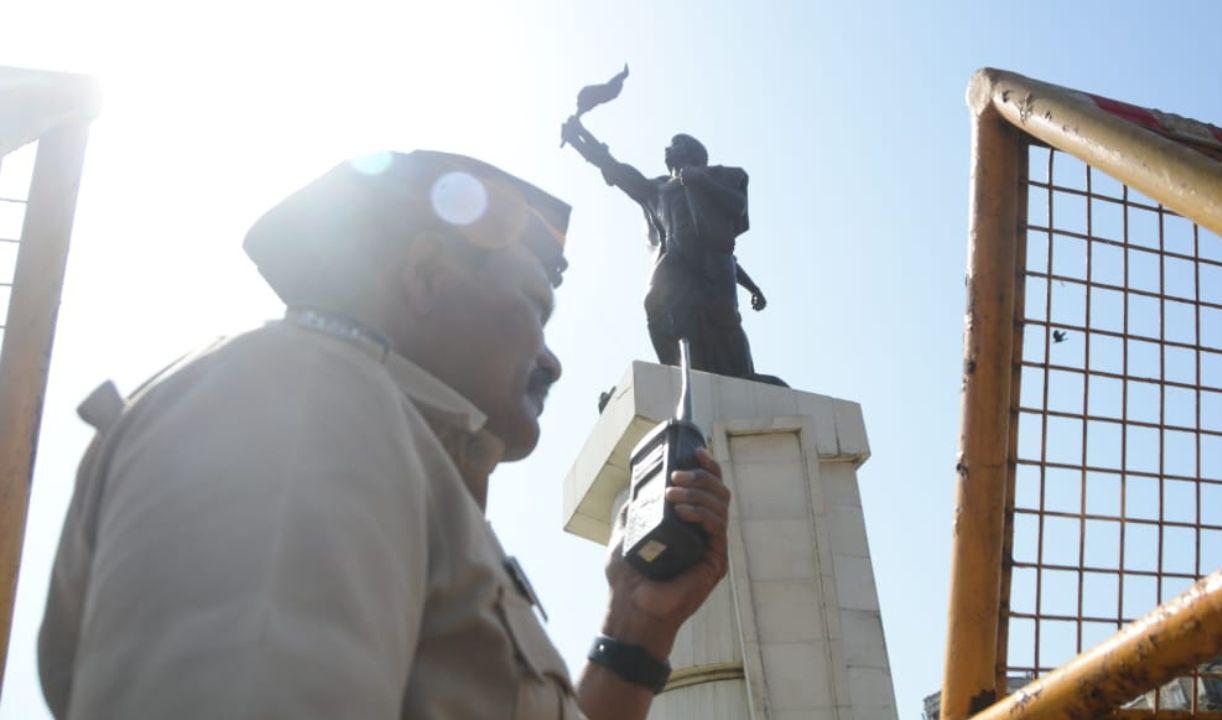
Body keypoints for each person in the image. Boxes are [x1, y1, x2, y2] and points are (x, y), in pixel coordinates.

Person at [38, 150, 732, 719]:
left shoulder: (388, 458)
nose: (552, 358)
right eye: (532, 305)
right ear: (427, 277)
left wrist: (636, 628)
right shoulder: (300, 400)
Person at [561, 118, 783, 386]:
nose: (667, 149)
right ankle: (674, 373)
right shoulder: (656, 189)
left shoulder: (721, 176)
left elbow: (737, 208)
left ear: (691, 152)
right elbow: (614, 168)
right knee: (655, 302)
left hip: (714, 264)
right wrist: (579, 137)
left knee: (725, 319)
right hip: (673, 262)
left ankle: (745, 374)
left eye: (675, 144)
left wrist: (752, 286)